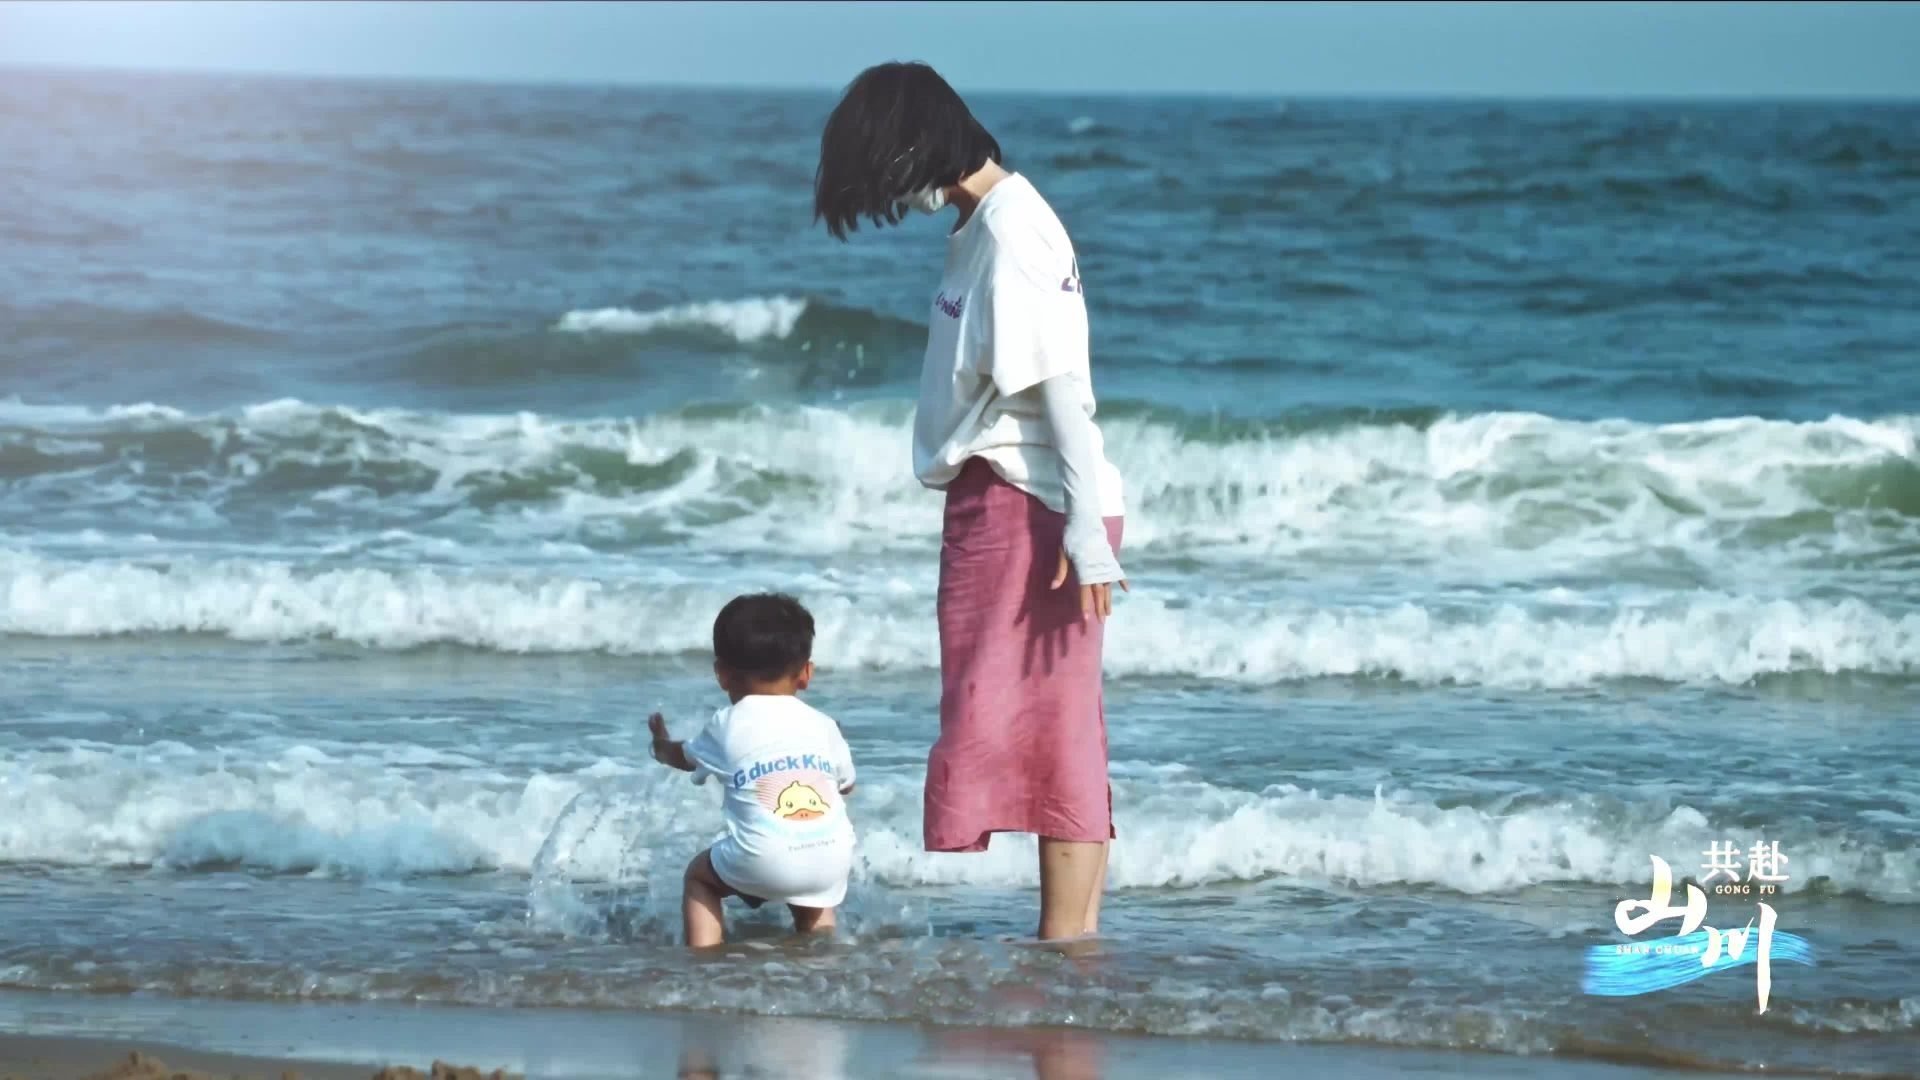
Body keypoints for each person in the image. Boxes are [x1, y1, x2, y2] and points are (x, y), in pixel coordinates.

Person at [813, 62, 1129, 941]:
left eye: (886, 169)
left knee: (1058, 735)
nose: (890, 192)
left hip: (1034, 506)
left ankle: (1067, 946)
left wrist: (1084, 529)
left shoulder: (1015, 231)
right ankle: (1070, 942)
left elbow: (1062, 389)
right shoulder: (982, 224)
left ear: (919, 143)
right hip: (1006, 504)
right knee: (1036, 730)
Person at [647, 593, 857, 948]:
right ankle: (821, 957)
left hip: (762, 857)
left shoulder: (726, 724)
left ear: (721, 674)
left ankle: (704, 957)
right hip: (831, 860)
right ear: (806, 673)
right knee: (813, 898)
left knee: (699, 878)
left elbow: (683, 758)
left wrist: (660, 744)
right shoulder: (824, 725)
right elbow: (846, 786)